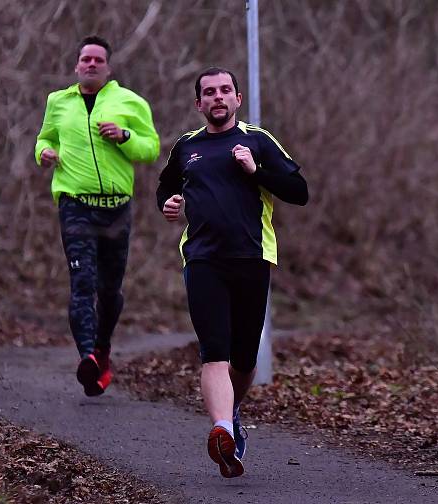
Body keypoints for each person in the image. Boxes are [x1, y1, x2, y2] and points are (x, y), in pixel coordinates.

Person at [156, 67, 308, 477]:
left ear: (238, 98)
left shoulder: (257, 140)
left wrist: (256, 171)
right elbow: (165, 186)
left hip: (252, 258)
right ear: (198, 104)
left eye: (225, 90)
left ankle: (232, 415)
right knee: (214, 351)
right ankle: (221, 428)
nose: (217, 97)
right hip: (202, 259)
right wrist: (169, 205)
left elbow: (300, 192)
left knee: (244, 357)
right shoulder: (186, 147)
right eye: (209, 92)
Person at [35, 35, 160, 396]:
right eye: (85, 59)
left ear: (108, 67)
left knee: (110, 290)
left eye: (98, 60)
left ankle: (102, 348)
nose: (91, 64)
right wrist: (43, 153)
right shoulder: (58, 102)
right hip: (75, 203)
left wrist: (124, 136)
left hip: (117, 208)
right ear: (76, 65)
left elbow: (150, 148)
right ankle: (87, 356)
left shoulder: (130, 102)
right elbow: (44, 139)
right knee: (82, 284)